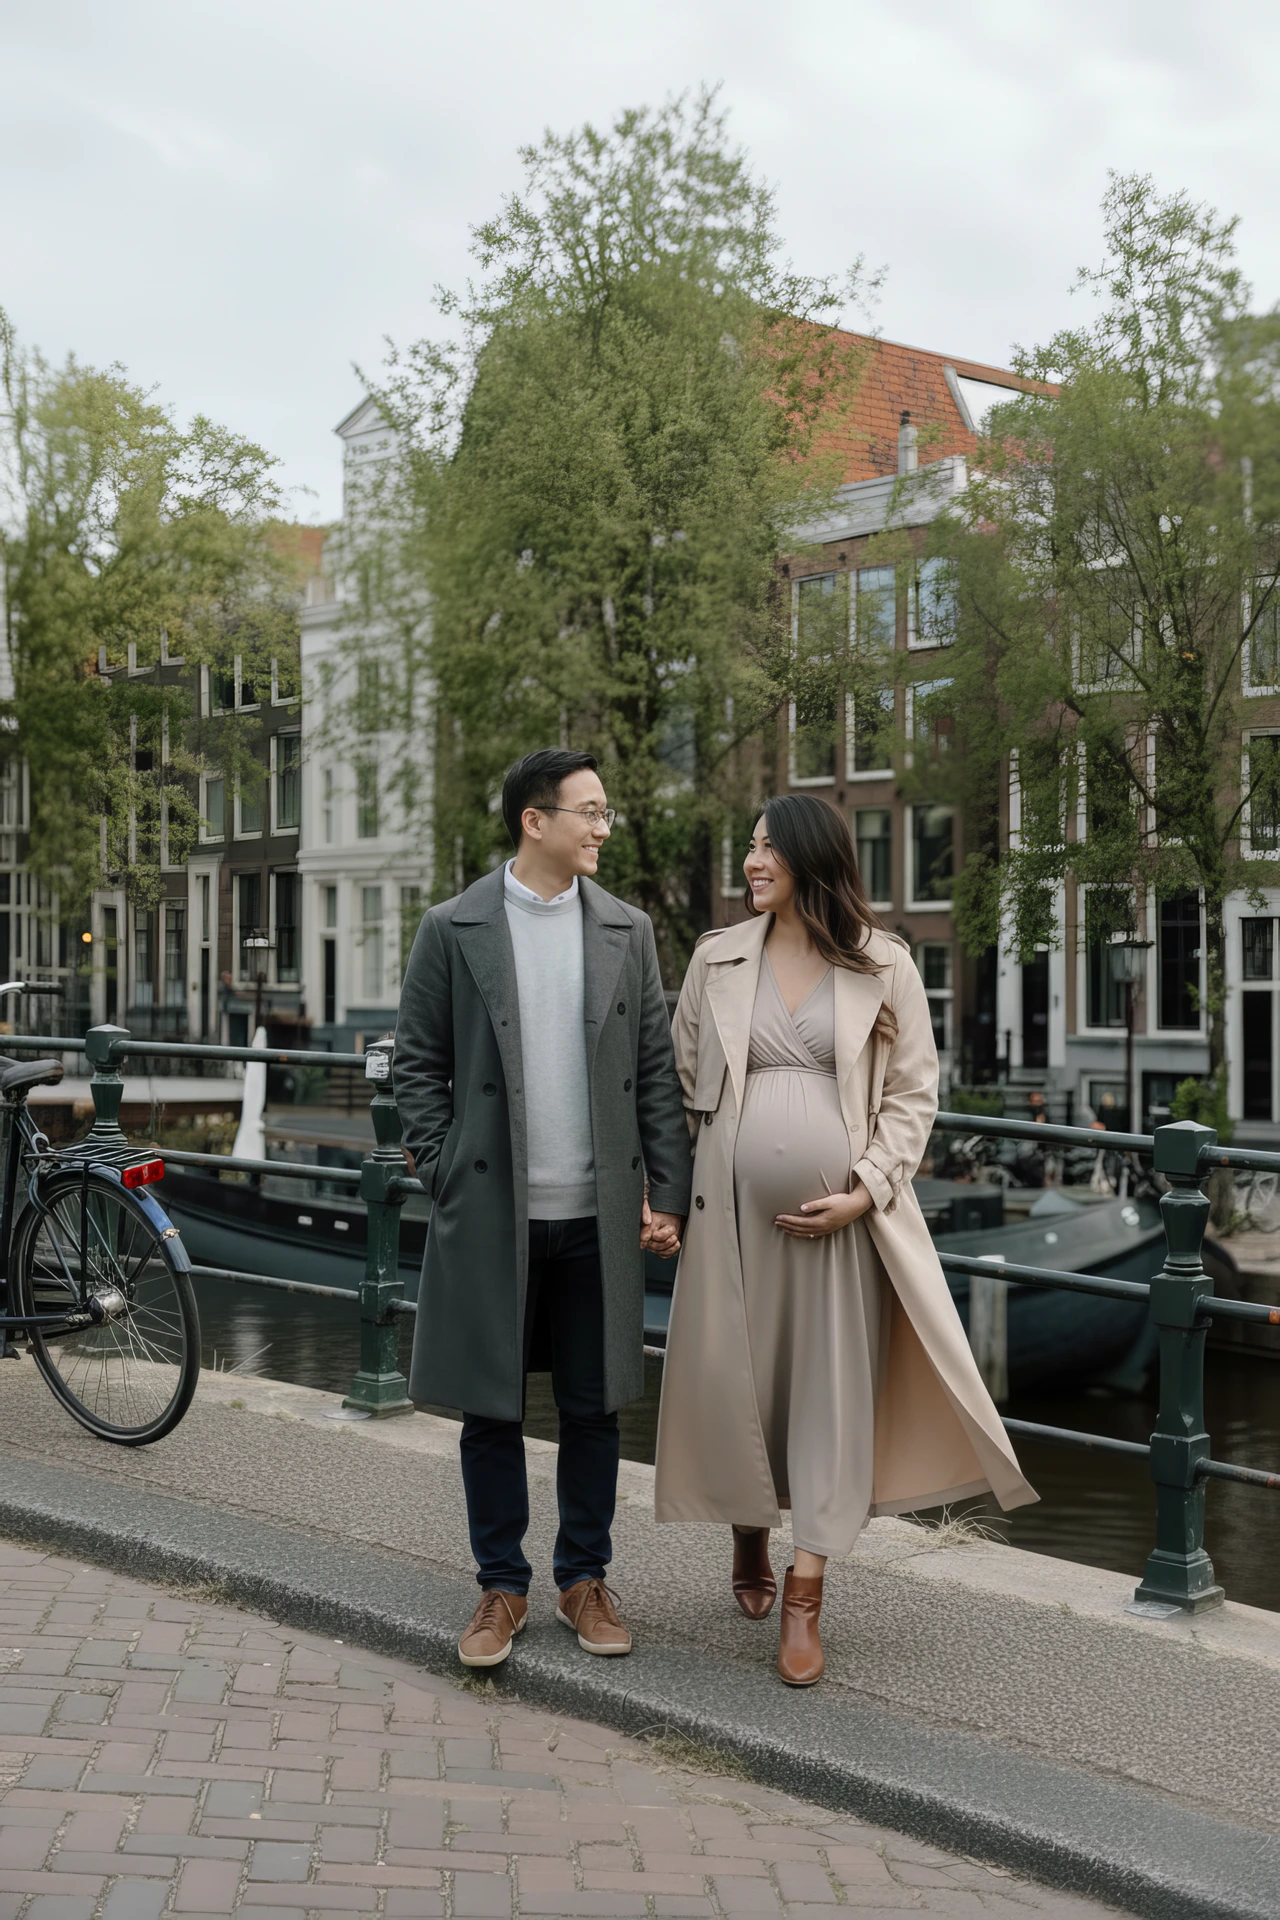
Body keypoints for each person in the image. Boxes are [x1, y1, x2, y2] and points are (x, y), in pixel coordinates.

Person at [654, 795, 1036, 1687]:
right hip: (732, 1224)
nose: (750, 864)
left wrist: (862, 1192)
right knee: (738, 1386)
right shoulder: (716, 960)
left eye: (765, 852)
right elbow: (677, 1090)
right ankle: (748, 1530)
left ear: (809, 860)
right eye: (746, 849)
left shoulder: (885, 964)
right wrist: (667, 1199)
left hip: (842, 1231)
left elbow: (913, 1096)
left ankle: (804, 1594)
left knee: (829, 1397)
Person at [394, 748, 691, 1670]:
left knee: (595, 1403)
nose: (605, 827)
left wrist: (667, 1193)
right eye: (590, 812)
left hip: (595, 1214)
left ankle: (583, 1580)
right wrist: (446, 1170)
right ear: (536, 820)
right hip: (491, 1211)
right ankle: (500, 1587)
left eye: (606, 813)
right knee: (492, 1407)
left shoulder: (627, 931)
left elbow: (653, 1072)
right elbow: (416, 1065)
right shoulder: (454, 926)